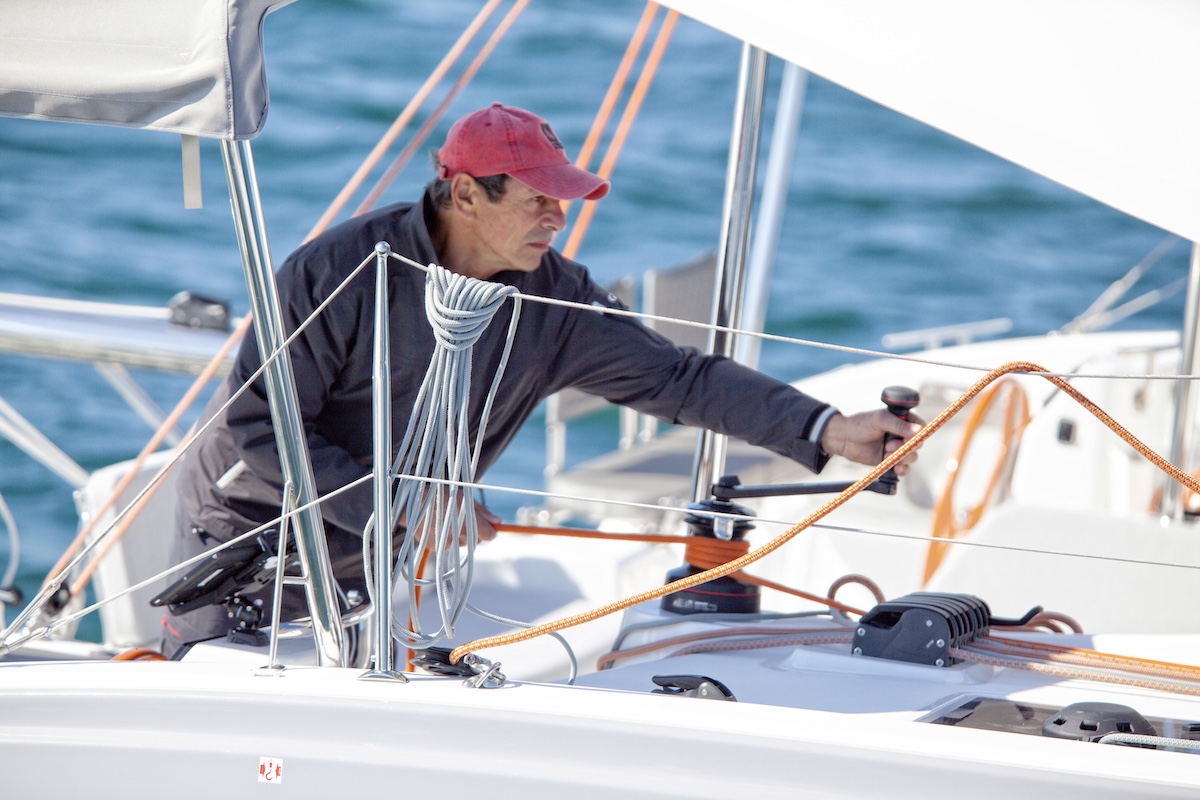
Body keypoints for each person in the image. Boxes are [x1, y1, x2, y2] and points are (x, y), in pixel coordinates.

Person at [162, 103, 919, 657]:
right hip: (243, 541)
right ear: (466, 195)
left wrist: (827, 430)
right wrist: (402, 508)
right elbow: (260, 426)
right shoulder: (341, 271)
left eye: (561, 199)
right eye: (537, 199)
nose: (558, 217)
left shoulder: (555, 302)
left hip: (369, 560)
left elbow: (680, 378)